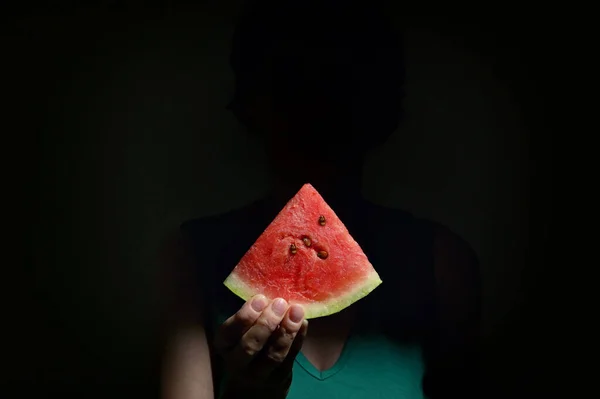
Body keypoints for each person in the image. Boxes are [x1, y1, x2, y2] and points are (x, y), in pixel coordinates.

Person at [161, 0, 481, 398]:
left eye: (337, 89)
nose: (314, 115)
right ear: (251, 105)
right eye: (291, 89)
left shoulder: (444, 263)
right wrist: (249, 393)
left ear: (379, 110)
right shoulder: (193, 257)